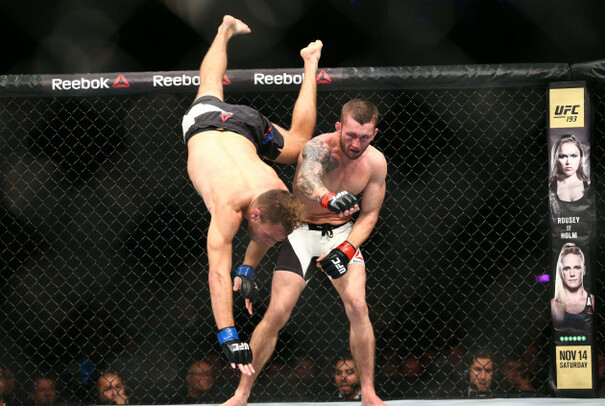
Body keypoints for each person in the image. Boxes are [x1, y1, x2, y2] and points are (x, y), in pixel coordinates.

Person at [181, 14, 323, 375]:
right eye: (271, 238)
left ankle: (310, 62)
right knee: (208, 85)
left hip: (245, 126)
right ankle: (224, 30)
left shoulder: (278, 195)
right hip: (204, 123)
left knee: (301, 144)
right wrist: (228, 336)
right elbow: (217, 273)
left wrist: (248, 267)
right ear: (254, 215)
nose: (270, 244)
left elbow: (267, 230)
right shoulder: (228, 208)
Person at [223, 99, 388, 406]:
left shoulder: (376, 163)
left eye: (364, 137)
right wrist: (329, 199)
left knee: (358, 305)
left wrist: (347, 248)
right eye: (351, 135)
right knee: (276, 313)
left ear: (374, 134)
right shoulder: (318, 147)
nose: (356, 143)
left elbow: (369, 214)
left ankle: (368, 393)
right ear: (338, 127)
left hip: (341, 233)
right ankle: (241, 394)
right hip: (300, 230)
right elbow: (306, 179)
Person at [550, 243, 595, 331]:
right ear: (561, 272)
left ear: (584, 270)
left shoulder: (592, 301)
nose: (572, 274)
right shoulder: (553, 305)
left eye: (577, 267)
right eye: (567, 268)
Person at [549, 133, 593, 219]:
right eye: (562, 156)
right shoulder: (550, 188)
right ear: (556, 159)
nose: (568, 162)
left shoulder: (589, 185)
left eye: (573, 156)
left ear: (580, 158)